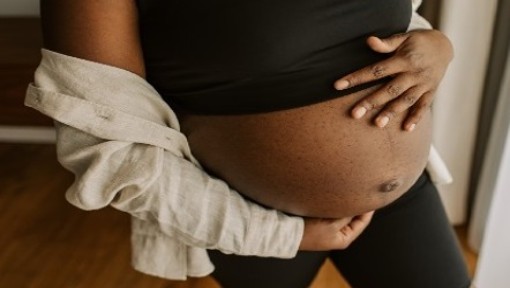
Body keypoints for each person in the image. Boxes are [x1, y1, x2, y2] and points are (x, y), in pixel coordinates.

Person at [27, 0, 470, 287]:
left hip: (401, 197)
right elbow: (108, 151)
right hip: (252, 214)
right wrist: (281, 235)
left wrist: (436, 46)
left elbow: (376, 19)